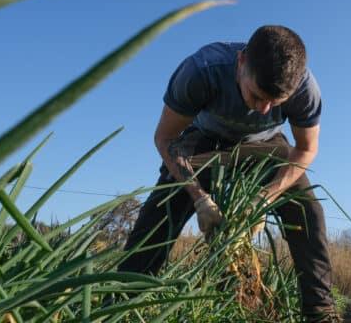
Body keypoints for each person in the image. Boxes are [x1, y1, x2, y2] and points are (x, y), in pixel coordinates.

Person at [118, 25, 337, 322]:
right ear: (241, 62)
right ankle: (120, 302)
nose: (263, 110)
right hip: (206, 140)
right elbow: (165, 139)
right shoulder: (202, 71)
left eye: (276, 103)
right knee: (163, 208)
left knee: (308, 210)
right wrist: (198, 197)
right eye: (257, 96)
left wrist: (263, 197)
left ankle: (320, 313)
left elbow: (306, 149)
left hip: (266, 146)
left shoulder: (304, 89)